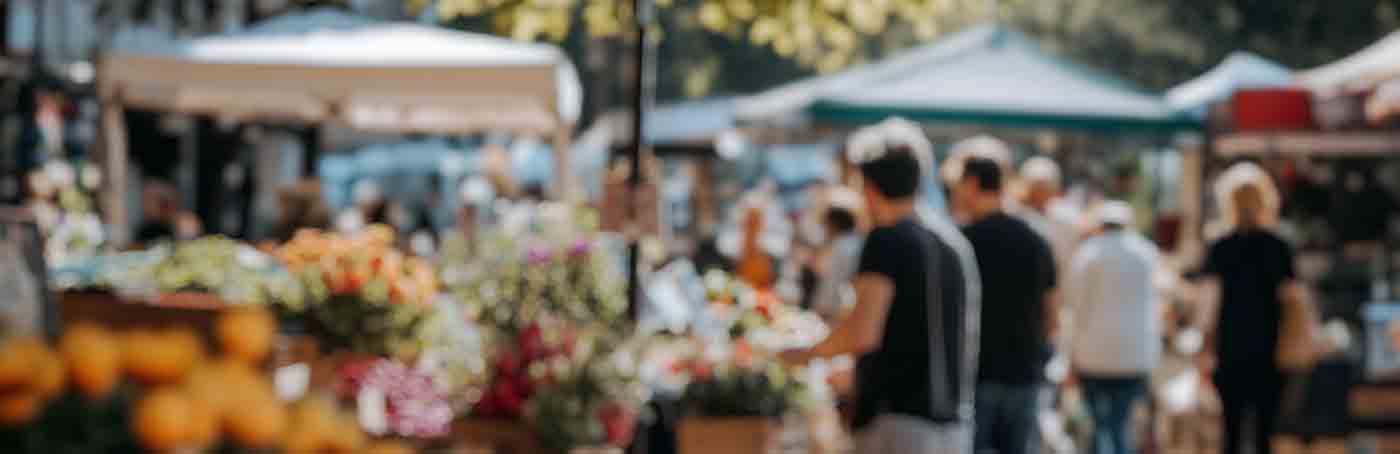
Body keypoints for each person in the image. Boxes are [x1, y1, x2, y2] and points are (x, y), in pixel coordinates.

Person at [783, 120, 978, 453]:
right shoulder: (951, 243)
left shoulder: (886, 240)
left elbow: (863, 331)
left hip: (898, 422)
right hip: (953, 422)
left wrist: (802, 354)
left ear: (869, 188)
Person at [954, 154, 1058, 454]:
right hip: (1024, 371)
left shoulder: (961, 242)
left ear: (972, 184)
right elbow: (1052, 315)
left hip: (976, 375)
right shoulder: (1036, 239)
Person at [1200, 162, 1304, 454]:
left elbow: (1209, 305)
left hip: (1230, 349)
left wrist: (1204, 348)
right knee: (1264, 434)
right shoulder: (1279, 246)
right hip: (1271, 349)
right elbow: (1293, 299)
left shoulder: (1221, 247)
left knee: (1230, 432)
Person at [1065, 201, 1161, 454]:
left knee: (1100, 423)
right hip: (1134, 355)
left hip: (1093, 354)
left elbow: (1077, 307)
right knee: (1119, 423)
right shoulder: (1146, 252)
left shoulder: (1088, 254)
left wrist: (1070, 354)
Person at [809, 188, 864, 321]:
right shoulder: (854, 243)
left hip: (836, 317)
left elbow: (831, 288)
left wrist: (817, 314)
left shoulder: (841, 248)